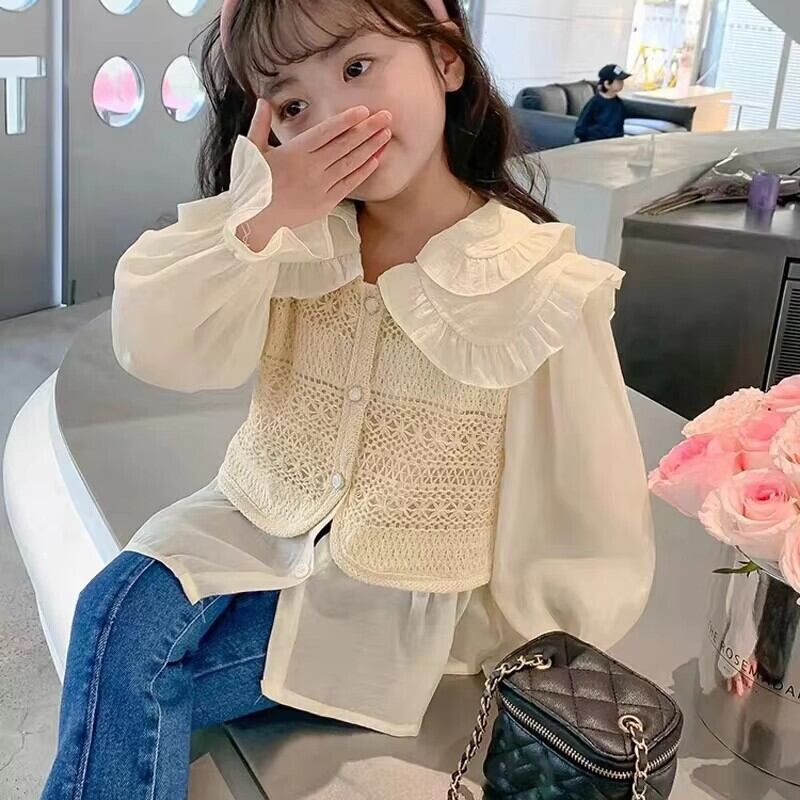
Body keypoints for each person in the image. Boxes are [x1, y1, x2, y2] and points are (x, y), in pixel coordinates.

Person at [40, 1, 655, 797]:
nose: (336, 119)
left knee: (132, 668)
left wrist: (531, 648)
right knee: (110, 615)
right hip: (249, 521)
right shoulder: (293, 240)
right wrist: (258, 218)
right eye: (294, 106)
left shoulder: (538, 284)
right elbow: (156, 345)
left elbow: (581, 499)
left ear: (446, 62)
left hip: (383, 597)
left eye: (358, 68)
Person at [575, 63, 632, 143]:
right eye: (618, 80)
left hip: (614, 143)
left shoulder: (618, 103)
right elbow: (581, 127)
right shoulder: (595, 103)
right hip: (594, 143)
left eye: (622, 80)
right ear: (607, 84)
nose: (621, 83)